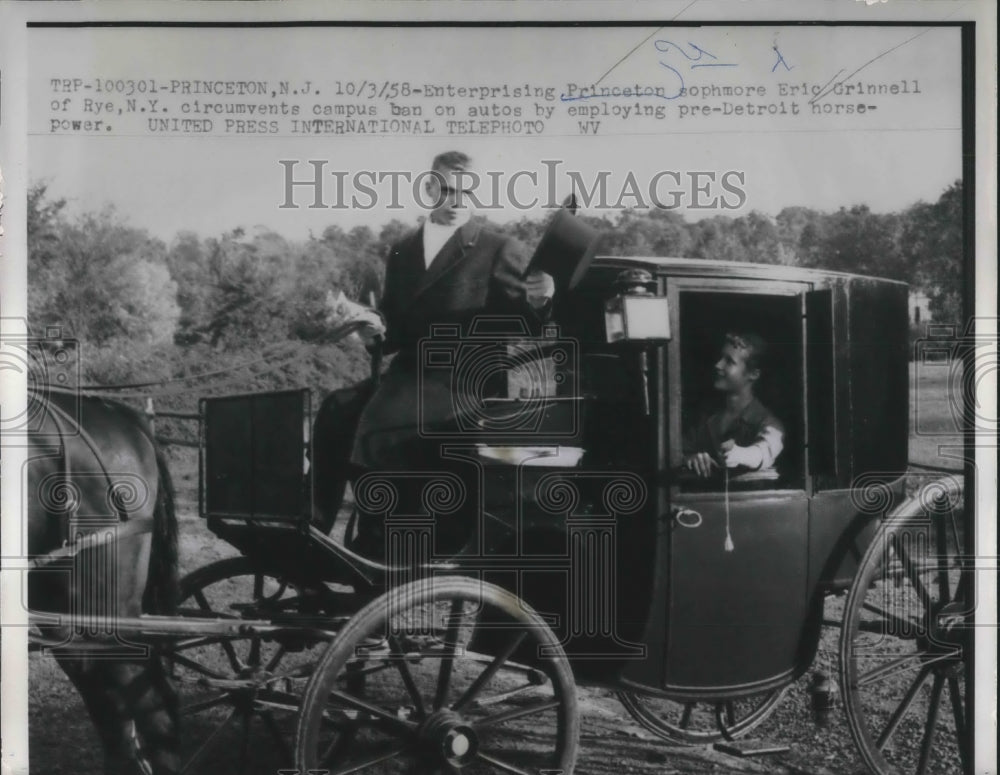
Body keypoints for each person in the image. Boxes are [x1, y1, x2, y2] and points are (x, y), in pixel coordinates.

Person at [325, 151, 554, 556]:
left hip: (464, 382)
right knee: (335, 409)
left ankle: (381, 537)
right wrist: (372, 327)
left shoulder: (499, 248)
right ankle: (316, 526)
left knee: (383, 420)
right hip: (409, 375)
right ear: (430, 188)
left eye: (467, 192)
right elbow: (393, 328)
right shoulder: (402, 250)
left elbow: (531, 326)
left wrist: (542, 302)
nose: (458, 201)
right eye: (448, 190)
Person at [683, 332, 784, 478]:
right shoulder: (706, 416)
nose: (718, 365)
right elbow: (679, 451)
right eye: (721, 358)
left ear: (754, 374)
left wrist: (739, 454)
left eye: (729, 361)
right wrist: (691, 458)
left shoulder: (769, 423)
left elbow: (764, 450)